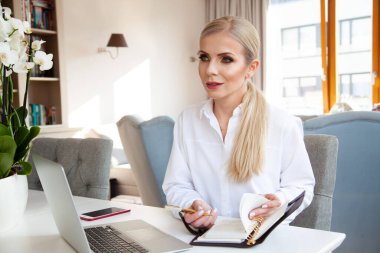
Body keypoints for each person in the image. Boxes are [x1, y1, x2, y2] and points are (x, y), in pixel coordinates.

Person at [162, 16, 315, 229]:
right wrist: (192, 204)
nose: (210, 70)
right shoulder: (187, 120)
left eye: (226, 59)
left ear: (251, 68)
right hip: (203, 240)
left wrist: (279, 201)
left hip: (261, 240)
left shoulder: (282, 123)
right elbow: (176, 185)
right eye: (204, 57)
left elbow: (301, 186)